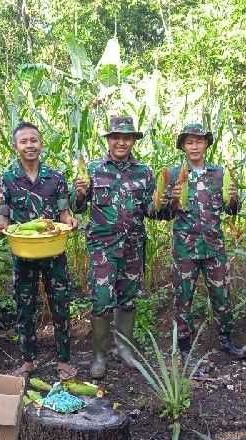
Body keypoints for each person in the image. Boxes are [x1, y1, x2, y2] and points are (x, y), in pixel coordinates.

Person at [72, 116, 162, 379]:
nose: (121, 142)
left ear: (133, 140)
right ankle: (100, 354)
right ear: (109, 140)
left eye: (126, 137)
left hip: (133, 245)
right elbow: (76, 207)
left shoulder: (144, 172)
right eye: (116, 137)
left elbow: (153, 212)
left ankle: (124, 348)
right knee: (101, 300)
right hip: (103, 247)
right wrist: (78, 194)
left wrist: (163, 203)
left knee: (129, 298)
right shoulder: (92, 169)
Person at [0, 122, 78, 380]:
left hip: (53, 251)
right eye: (24, 141)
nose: (29, 145)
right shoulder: (7, 179)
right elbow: (3, 214)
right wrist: (1, 226)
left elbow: (65, 213)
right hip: (24, 253)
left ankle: (63, 360)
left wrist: (70, 221)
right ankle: (28, 359)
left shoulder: (56, 178)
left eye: (34, 140)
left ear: (41, 143)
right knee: (24, 307)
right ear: (15, 146)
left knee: (60, 305)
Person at [163, 123, 244, 358]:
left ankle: (226, 340)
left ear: (207, 144)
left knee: (222, 296)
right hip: (185, 249)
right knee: (183, 297)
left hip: (213, 246)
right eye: (189, 142)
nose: (195, 146)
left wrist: (234, 198)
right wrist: (172, 201)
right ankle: (184, 346)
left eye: (199, 141)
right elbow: (162, 214)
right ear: (183, 147)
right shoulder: (173, 175)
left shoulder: (219, 174)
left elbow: (233, 210)